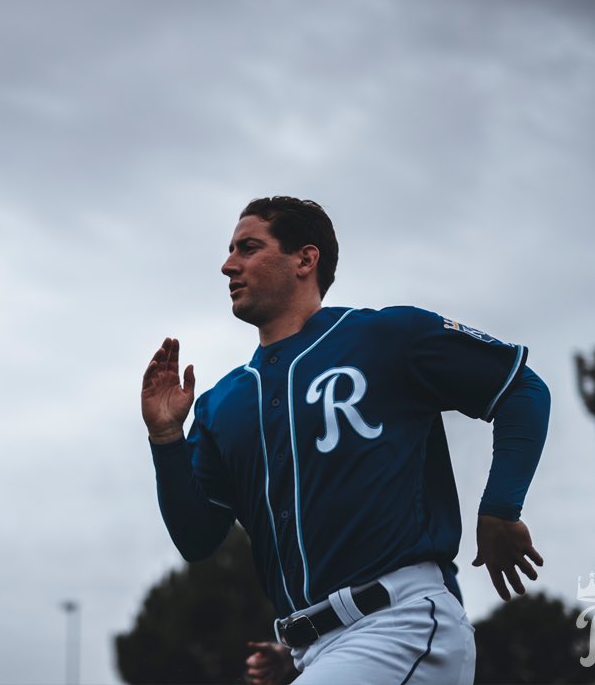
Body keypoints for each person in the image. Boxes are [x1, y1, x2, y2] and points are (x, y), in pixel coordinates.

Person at [140, 197, 549, 684]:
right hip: (318, 651)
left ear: (305, 260)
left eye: (248, 247)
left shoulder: (385, 337)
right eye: (230, 251)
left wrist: (501, 507)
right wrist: (166, 439)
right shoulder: (219, 404)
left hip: (402, 625)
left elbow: (522, 387)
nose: (229, 264)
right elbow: (198, 538)